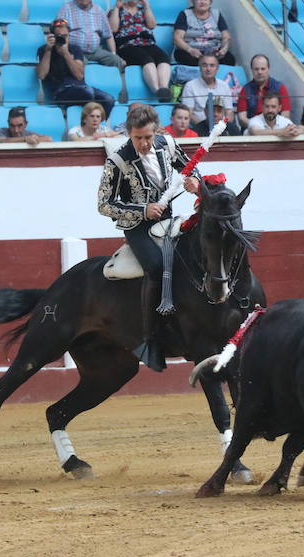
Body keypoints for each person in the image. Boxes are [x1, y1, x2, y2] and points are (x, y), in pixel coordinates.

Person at [96, 104, 199, 371]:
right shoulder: (118, 160)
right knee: (155, 266)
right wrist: (142, 210)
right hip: (137, 226)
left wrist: (194, 182)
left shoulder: (168, 144)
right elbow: (104, 204)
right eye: (138, 138)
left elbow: (190, 168)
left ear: (156, 131)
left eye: (148, 137)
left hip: (168, 220)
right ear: (129, 134)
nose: (143, 143)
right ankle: (150, 337)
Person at [37, 18, 115, 118]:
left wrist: (66, 54)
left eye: (65, 36)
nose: (63, 39)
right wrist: (48, 51)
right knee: (88, 92)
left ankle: (98, 127)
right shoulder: (44, 49)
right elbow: (41, 75)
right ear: (52, 36)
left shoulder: (75, 49)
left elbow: (79, 75)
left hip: (81, 87)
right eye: (59, 36)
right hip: (60, 91)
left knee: (108, 99)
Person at [108, 0, 172, 102]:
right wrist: (116, 8)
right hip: (127, 45)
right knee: (147, 59)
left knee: (163, 58)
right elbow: (112, 29)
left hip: (147, 43)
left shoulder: (143, 10)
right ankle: (156, 91)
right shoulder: (115, 11)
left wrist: (146, 6)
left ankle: (164, 89)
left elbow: (152, 25)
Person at [57, 0, 125, 68]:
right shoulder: (66, 9)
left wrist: (113, 53)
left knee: (116, 60)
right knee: (81, 63)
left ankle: (113, 78)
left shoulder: (99, 10)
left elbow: (108, 35)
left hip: (95, 51)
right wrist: (66, 50)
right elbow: (58, 29)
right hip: (75, 50)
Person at [236, 54, 291, 130]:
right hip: (252, 132)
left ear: (268, 69)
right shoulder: (245, 90)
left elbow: (285, 115)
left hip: (276, 131)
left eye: (263, 69)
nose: (259, 72)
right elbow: (242, 119)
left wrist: (270, 130)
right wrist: (259, 128)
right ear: (251, 69)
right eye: (256, 69)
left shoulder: (280, 88)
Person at [173, 0, 235, 66]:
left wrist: (224, 49)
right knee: (184, 57)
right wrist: (190, 50)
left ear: (210, 2)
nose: (202, 2)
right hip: (192, 52)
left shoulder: (216, 14)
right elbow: (177, 38)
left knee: (230, 60)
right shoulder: (185, 15)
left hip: (214, 51)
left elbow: (226, 36)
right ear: (193, 1)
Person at [180, 53, 234, 126]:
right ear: (200, 68)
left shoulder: (224, 86)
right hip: (199, 128)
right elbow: (188, 113)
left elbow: (229, 112)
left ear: (217, 69)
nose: (208, 69)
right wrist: (205, 127)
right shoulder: (190, 86)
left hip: (222, 127)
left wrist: (223, 126)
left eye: (212, 65)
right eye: (205, 65)